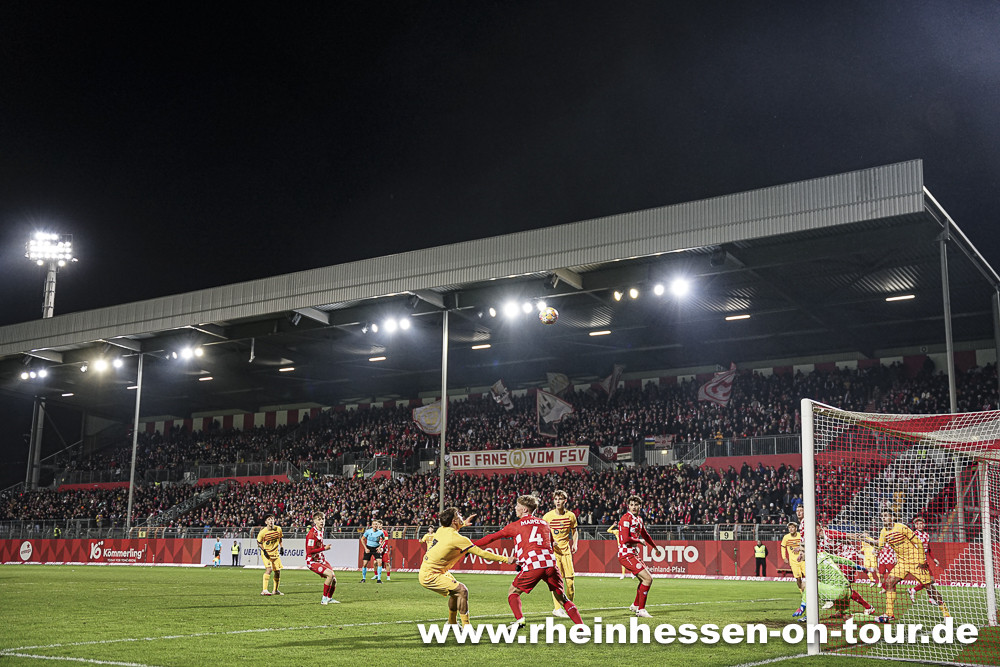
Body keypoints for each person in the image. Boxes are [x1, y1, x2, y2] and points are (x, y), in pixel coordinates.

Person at [475, 494, 584, 628]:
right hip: (550, 563)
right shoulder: (544, 523)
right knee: (563, 599)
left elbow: (492, 537)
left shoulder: (515, 525)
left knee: (513, 592)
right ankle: (581, 627)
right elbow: (551, 543)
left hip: (534, 565)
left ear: (525, 510)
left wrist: (473, 546)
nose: (515, 508)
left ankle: (520, 619)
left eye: (518, 506)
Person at [419, 506, 515, 626]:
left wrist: (463, 523)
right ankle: (467, 627)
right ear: (454, 521)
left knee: (455, 593)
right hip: (431, 575)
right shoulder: (458, 539)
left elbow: (451, 529)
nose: (460, 516)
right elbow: (482, 553)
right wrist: (506, 559)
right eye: (458, 515)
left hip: (432, 570)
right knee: (462, 590)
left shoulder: (442, 529)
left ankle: (451, 623)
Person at [867, 510, 950, 622]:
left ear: (893, 517)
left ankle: (946, 615)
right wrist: (866, 539)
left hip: (916, 562)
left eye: (886, 516)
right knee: (889, 582)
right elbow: (880, 546)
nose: (883, 518)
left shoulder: (901, 527)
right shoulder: (883, 532)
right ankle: (889, 614)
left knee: (929, 587)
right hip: (902, 563)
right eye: (882, 516)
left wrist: (921, 561)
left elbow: (918, 543)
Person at [794, 551, 877, 622]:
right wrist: (859, 567)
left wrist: (802, 606)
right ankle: (877, 618)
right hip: (847, 589)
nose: (799, 556)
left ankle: (810, 616)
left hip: (836, 591)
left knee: (809, 586)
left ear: (808, 552)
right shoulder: (823, 554)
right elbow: (842, 560)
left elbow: (810, 587)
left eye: (801, 554)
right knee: (847, 617)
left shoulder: (811, 565)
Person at [616, 495, 656, 618]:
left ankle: (635, 605)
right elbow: (625, 539)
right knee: (648, 579)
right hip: (625, 554)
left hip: (633, 553)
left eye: (636, 505)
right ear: (628, 506)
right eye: (632, 505)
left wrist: (655, 547)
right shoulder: (625, 519)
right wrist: (639, 541)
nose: (634, 507)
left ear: (640, 506)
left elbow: (645, 534)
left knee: (644, 579)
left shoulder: (638, 519)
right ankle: (641, 610)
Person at [542, 489, 579, 618]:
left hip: (566, 552)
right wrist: (551, 543)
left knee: (570, 583)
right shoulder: (547, 517)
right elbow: (543, 533)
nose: (558, 501)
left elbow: (575, 531)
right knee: (556, 582)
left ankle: (569, 606)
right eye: (556, 499)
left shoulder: (570, 516)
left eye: (560, 499)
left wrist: (575, 544)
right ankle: (557, 608)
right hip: (554, 553)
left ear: (565, 501)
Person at [306, 512, 339, 605]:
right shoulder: (312, 534)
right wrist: (324, 548)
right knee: (329, 575)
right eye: (319, 519)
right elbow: (309, 551)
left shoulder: (321, 530)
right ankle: (323, 599)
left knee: (334, 580)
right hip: (312, 561)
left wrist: (324, 546)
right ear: (314, 521)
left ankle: (329, 598)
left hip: (321, 559)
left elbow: (318, 545)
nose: (322, 521)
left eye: (323, 519)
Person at [780, 522, 806, 616]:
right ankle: (802, 592)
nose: (791, 529)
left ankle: (811, 592)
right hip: (793, 562)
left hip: (803, 560)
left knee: (809, 576)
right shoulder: (786, 537)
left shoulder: (800, 536)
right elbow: (783, 547)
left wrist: (800, 549)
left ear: (796, 528)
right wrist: (784, 557)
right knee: (798, 578)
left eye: (792, 527)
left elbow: (806, 545)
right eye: (789, 527)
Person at [256, 515, 284, 596]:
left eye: (272, 519)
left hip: (275, 553)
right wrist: (264, 550)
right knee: (269, 569)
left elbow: (280, 538)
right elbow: (259, 542)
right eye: (269, 519)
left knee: (278, 572)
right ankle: (264, 590)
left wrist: (281, 547)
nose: (271, 521)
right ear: (266, 522)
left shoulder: (278, 529)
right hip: (267, 554)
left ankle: (275, 590)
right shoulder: (263, 532)